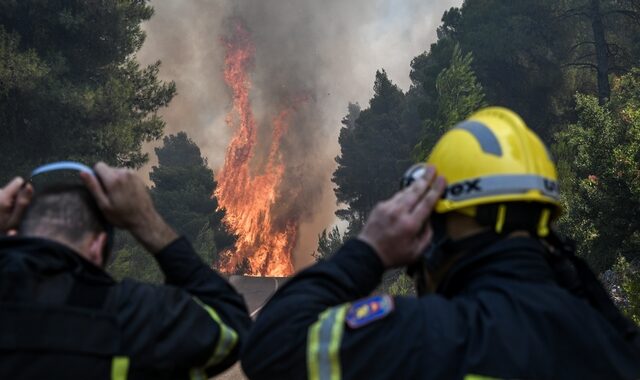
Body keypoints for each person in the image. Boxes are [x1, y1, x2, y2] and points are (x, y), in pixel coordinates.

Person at [241, 107, 640, 379]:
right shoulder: (609, 342)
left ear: (439, 224)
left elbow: (274, 346)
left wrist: (369, 250)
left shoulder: (435, 336)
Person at [0, 162, 251, 379]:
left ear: (14, 234)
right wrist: (145, 220)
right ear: (97, 247)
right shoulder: (133, 314)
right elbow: (231, 330)